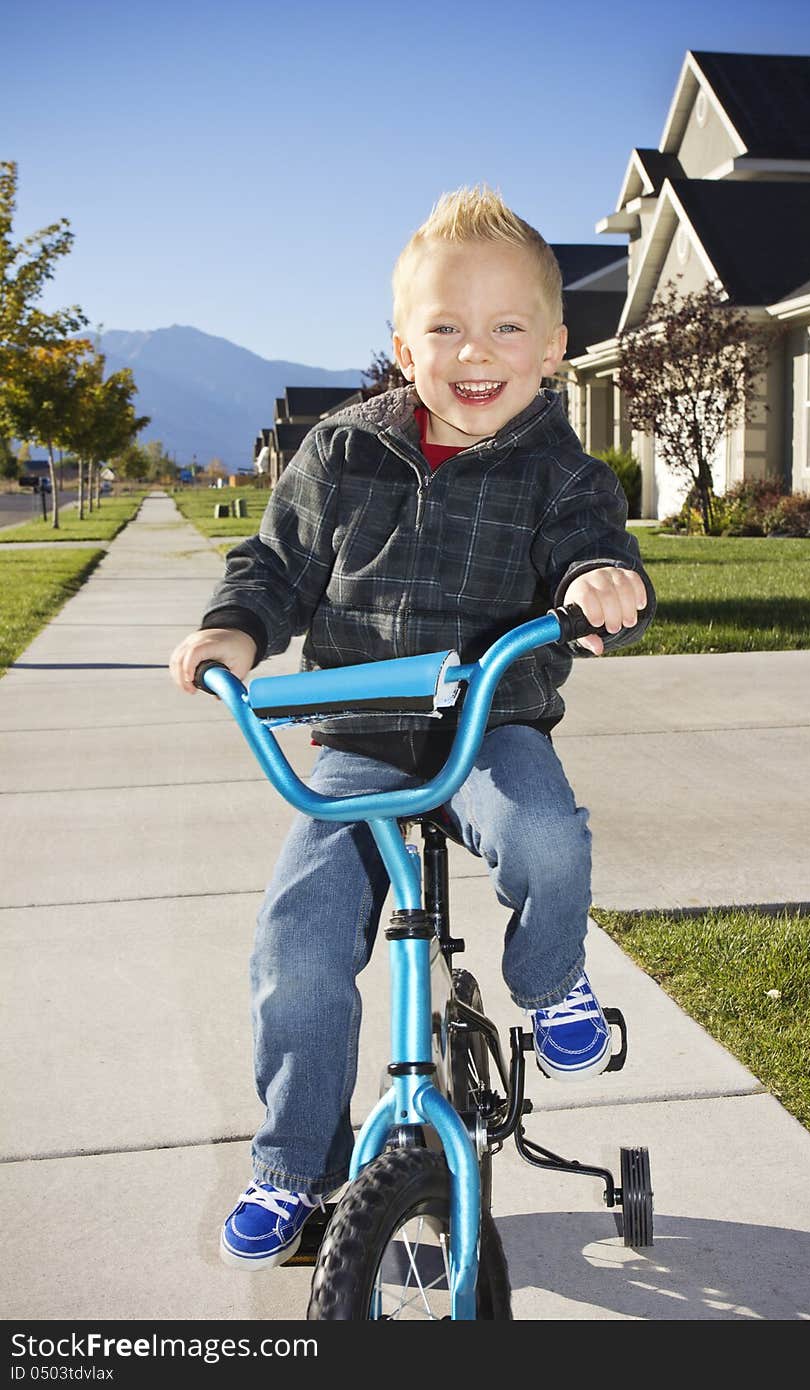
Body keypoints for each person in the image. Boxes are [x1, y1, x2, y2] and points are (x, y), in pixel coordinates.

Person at [169, 186, 656, 1270]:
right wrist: (233, 632)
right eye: (444, 328)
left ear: (555, 348)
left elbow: (593, 553)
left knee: (547, 837)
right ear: (402, 344)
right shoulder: (341, 453)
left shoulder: (560, 472)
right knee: (293, 954)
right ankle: (294, 1169)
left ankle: (549, 979)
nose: (474, 352)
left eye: (505, 327)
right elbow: (275, 565)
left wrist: (603, 586)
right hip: (356, 741)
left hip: (489, 726)